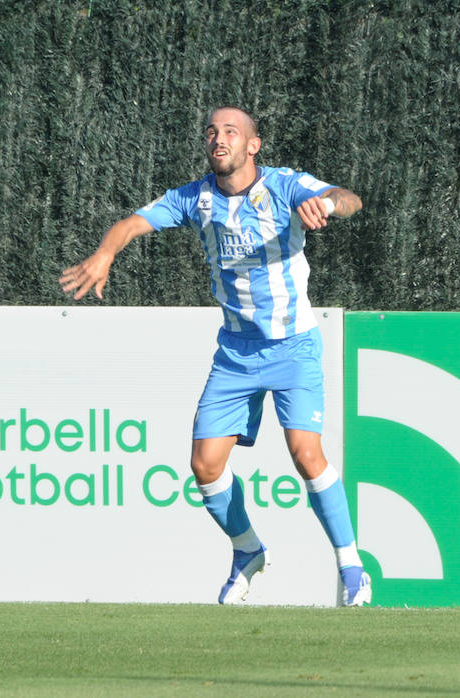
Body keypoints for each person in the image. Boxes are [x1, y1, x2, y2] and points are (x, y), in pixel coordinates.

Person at [59, 106, 370, 607]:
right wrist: (105, 252)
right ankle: (247, 550)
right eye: (212, 132)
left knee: (306, 454)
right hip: (235, 353)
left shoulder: (286, 186)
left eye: (231, 132)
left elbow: (348, 198)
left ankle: (351, 566)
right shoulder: (196, 197)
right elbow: (131, 223)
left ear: (253, 145)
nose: (219, 139)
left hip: (293, 345)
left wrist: (329, 206)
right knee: (204, 465)